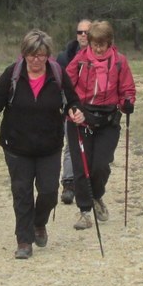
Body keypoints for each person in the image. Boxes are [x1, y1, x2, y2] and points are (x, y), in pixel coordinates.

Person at [0, 30, 84, 259]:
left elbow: (72, 100)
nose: (36, 60)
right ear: (24, 54)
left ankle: (39, 223)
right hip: (17, 146)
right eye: (32, 56)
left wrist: (75, 111)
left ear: (48, 56)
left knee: (49, 192)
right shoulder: (12, 74)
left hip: (49, 146)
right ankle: (24, 241)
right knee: (22, 192)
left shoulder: (57, 74)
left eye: (42, 56)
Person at [66, 20, 136, 232]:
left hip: (108, 120)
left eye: (101, 44)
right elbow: (66, 84)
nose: (97, 48)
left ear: (110, 43)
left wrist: (128, 102)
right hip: (81, 116)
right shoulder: (80, 60)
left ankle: (97, 196)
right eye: (94, 44)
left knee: (100, 165)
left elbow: (128, 88)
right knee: (81, 166)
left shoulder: (119, 62)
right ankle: (85, 211)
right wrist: (70, 106)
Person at [56, 18, 92, 204]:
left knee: (90, 146)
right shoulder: (65, 57)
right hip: (69, 106)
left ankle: (88, 183)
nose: (83, 35)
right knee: (71, 145)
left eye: (87, 32)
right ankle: (69, 184)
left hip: (93, 107)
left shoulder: (102, 56)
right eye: (80, 32)